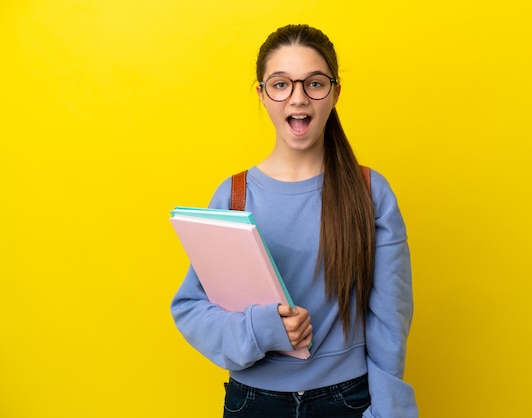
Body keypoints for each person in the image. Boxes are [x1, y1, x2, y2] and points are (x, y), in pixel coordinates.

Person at [171, 24, 417, 417]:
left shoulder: (370, 192)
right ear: (262, 94)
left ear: (335, 93)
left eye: (314, 83)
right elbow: (190, 308)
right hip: (252, 403)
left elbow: (391, 318)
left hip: (347, 402)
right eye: (281, 84)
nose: (298, 98)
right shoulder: (233, 197)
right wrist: (262, 330)